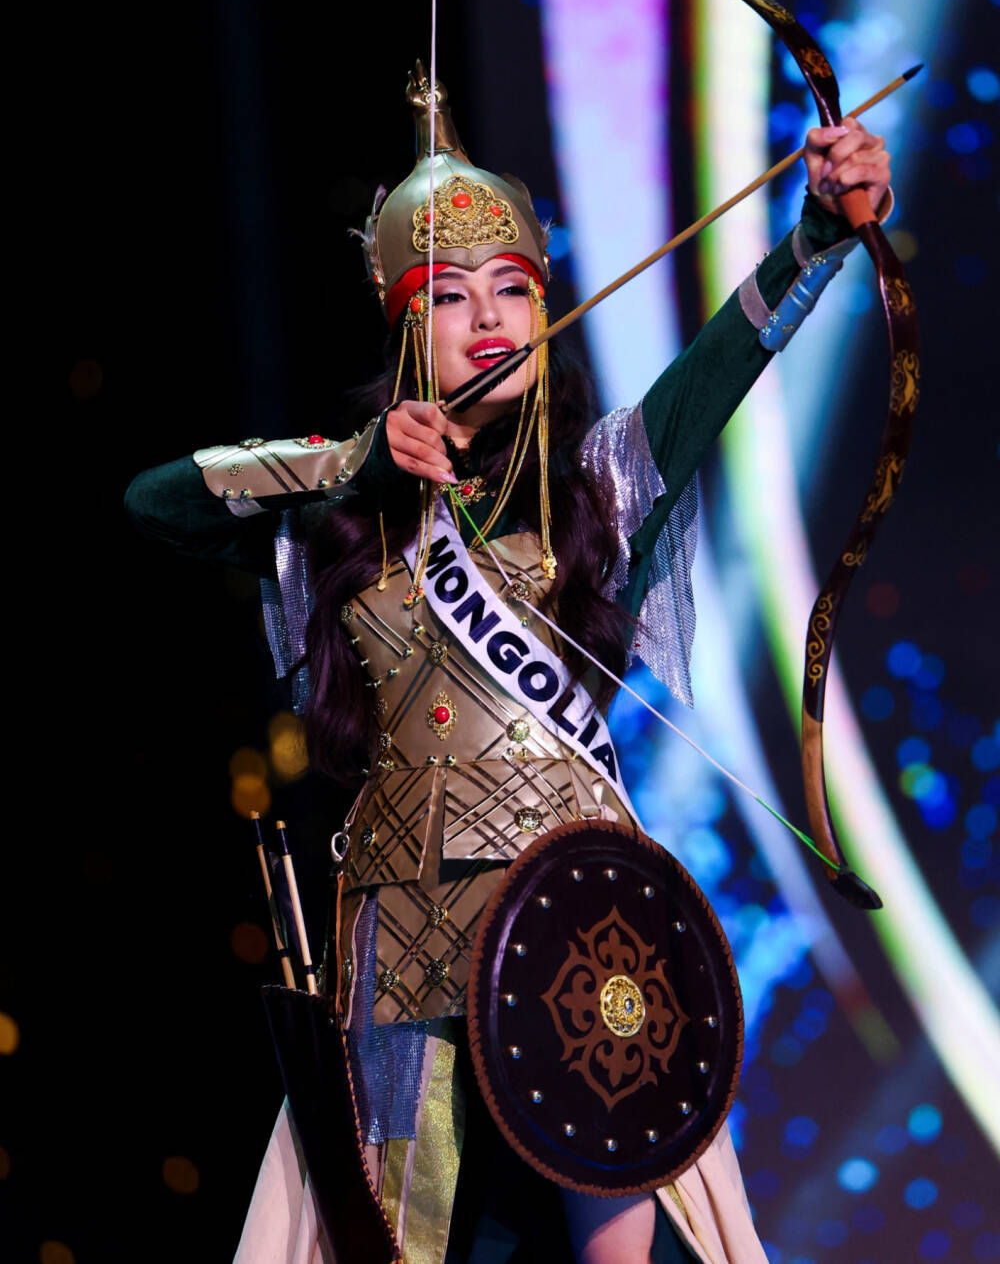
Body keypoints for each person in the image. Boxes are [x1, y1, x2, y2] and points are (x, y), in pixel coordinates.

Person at [126, 67, 892, 1264]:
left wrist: (817, 236)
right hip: (402, 929)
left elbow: (715, 370)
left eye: (514, 290)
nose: (490, 319)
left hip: (581, 920)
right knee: (388, 1241)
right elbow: (157, 505)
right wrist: (358, 469)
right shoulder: (341, 502)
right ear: (403, 332)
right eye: (449, 297)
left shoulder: (600, 486)